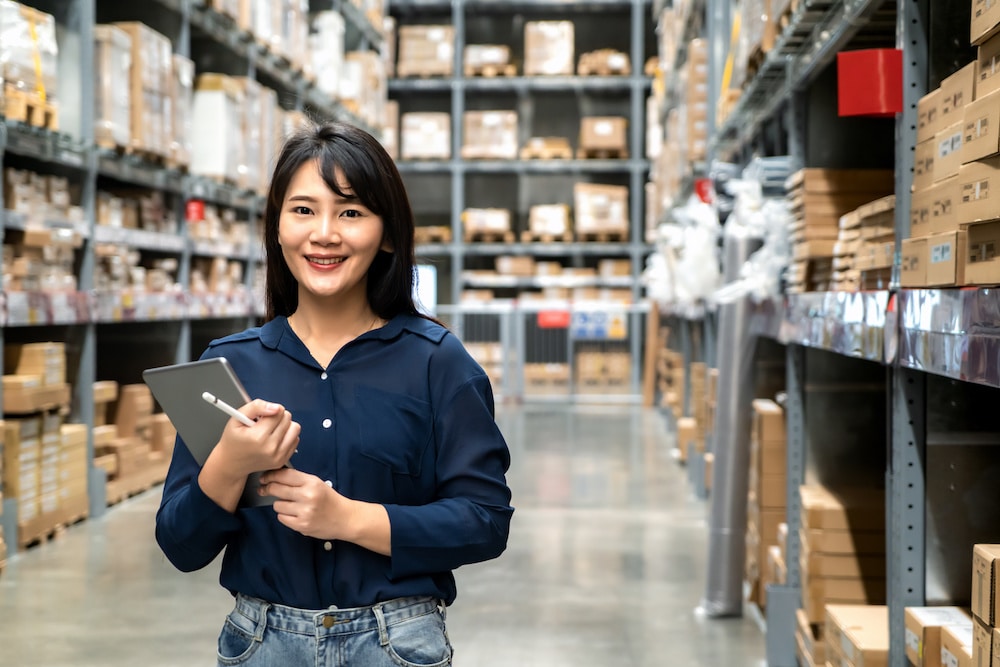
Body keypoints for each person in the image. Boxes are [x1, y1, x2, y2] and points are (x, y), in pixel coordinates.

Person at [155, 121, 514, 667]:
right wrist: (230, 463)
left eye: (350, 212)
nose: (324, 233)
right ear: (277, 227)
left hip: (398, 643)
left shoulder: (438, 363)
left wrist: (349, 519)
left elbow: (485, 521)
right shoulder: (230, 367)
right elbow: (180, 547)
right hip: (260, 643)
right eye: (302, 210)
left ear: (387, 234)